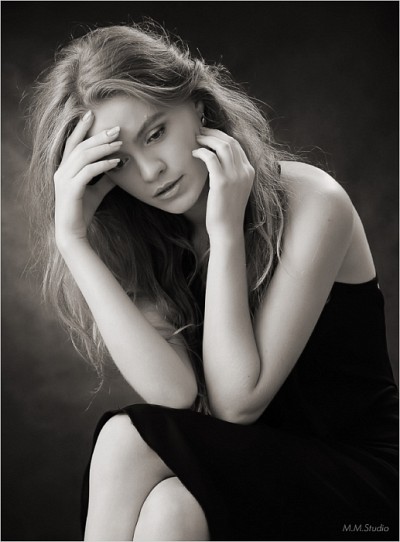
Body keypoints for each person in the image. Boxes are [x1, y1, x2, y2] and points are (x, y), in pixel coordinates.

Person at [26, 22, 398, 541]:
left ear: (198, 107)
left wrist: (225, 234)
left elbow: (236, 403)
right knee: (170, 511)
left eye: (156, 133)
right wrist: (73, 240)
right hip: (258, 477)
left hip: (365, 490)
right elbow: (174, 394)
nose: (150, 171)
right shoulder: (150, 241)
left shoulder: (314, 201)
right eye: (120, 161)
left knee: (125, 438)